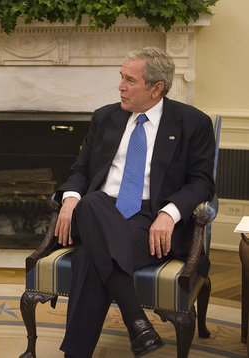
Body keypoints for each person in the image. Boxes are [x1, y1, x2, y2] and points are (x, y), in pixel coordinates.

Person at [54, 47, 215, 357]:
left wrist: (169, 213)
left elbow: (202, 182)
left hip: (149, 220)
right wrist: (71, 198)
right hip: (98, 210)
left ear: (157, 88)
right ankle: (136, 321)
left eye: (130, 80)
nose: (120, 86)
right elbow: (80, 171)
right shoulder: (105, 117)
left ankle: (77, 353)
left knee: (89, 257)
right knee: (91, 203)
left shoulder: (192, 123)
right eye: (121, 77)